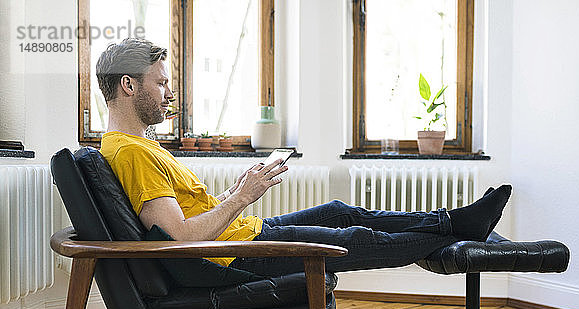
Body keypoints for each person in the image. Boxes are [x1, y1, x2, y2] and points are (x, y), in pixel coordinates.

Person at [97, 38, 511, 278]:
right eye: (161, 83)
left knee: (337, 210)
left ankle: (450, 222)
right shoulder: (132, 152)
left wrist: (236, 192)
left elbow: (184, 212)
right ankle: (462, 229)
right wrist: (241, 199)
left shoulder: (135, 146)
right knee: (354, 240)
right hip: (238, 253)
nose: (169, 94)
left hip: (243, 232)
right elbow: (180, 241)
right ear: (130, 85)